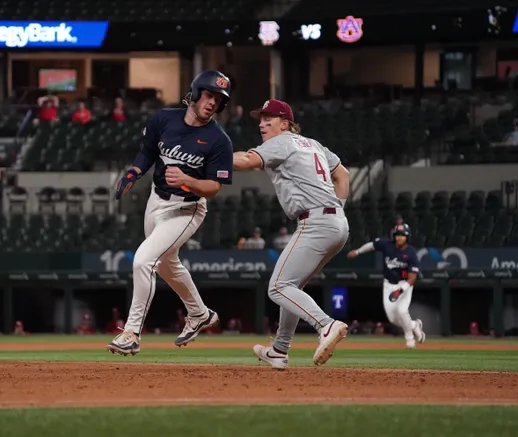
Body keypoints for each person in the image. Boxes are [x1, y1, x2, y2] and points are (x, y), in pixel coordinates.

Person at [108, 69, 234, 356]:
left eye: (219, 99)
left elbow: (214, 188)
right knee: (166, 264)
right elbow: (148, 151)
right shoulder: (164, 119)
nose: (213, 102)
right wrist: (134, 172)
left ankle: (131, 333)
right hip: (156, 200)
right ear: (195, 92)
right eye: (209, 94)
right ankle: (200, 314)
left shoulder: (219, 140)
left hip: (187, 207)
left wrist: (188, 181)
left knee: (143, 260)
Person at [232, 99, 351, 368]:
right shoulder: (314, 144)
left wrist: (212, 158)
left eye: (268, 119)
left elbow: (248, 160)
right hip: (336, 222)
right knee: (291, 285)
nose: (262, 124)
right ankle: (279, 349)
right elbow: (342, 175)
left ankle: (326, 325)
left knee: (278, 287)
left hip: (316, 222)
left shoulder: (282, 141)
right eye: (260, 119)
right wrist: (336, 209)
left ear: (285, 124)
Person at [347, 223, 426, 348]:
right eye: (397, 235)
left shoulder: (411, 253)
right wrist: (358, 251)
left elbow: (412, 278)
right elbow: (372, 245)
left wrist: (401, 290)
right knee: (393, 319)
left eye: (402, 235)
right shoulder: (387, 245)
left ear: (407, 237)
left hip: (404, 284)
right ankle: (414, 325)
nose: (400, 238)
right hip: (388, 284)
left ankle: (409, 339)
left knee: (402, 310)